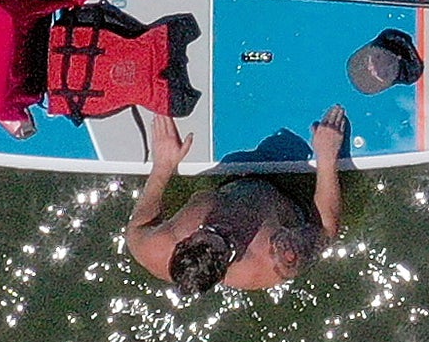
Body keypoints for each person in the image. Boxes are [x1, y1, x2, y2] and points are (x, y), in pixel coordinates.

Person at [126, 107, 350, 297]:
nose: (224, 227)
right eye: (227, 241)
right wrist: (327, 157)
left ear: (184, 243)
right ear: (226, 268)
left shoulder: (154, 248)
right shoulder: (275, 261)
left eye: (210, 229)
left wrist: (164, 165)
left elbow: (135, 229)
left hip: (231, 181)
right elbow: (326, 230)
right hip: (291, 190)